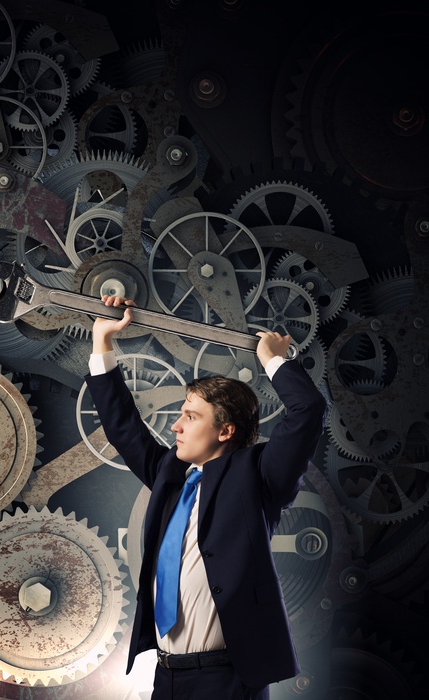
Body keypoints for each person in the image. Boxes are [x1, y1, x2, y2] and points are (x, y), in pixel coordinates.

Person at [86, 295, 326, 700]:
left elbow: (307, 410)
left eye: (191, 416)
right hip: (167, 677)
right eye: (181, 413)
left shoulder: (259, 477)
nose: (176, 425)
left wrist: (272, 359)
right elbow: (123, 427)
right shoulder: (170, 475)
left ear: (226, 431)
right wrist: (101, 341)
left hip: (227, 682)